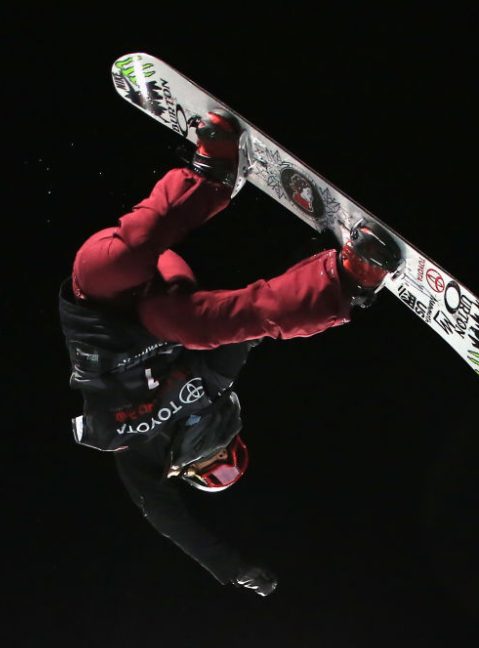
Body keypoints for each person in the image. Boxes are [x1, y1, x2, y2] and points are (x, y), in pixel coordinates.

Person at [60, 110, 402, 594]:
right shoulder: (215, 384)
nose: (222, 458)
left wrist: (230, 567)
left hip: (98, 306)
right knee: (212, 323)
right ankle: (345, 278)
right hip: (162, 304)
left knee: (119, 259)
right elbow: (256, 317)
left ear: (188, 471)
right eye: (233, 459)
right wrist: (342, 283)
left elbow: (169, 520)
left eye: (217, 471)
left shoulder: (142, 455)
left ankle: (207, 176)